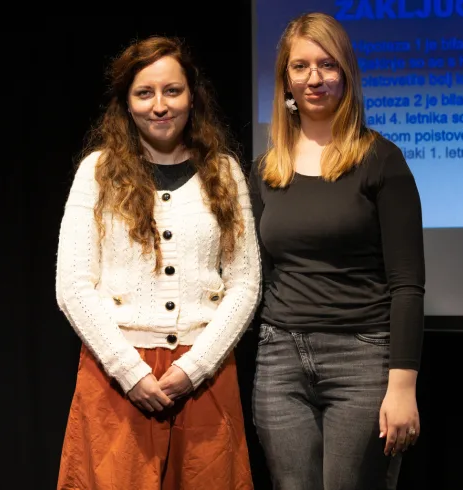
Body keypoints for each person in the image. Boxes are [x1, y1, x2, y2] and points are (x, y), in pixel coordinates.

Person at [55, 35, 260, 490]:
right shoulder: (97, 172)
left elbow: (245, 283)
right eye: (144, 93)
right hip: (116, 375)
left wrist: (194, 368)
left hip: (203, 374)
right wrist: (130, 371)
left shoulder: (223, 172)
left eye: (172, 91)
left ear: (192, 96)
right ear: (127, 103)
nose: (159, 105)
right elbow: (73, 285)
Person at [249, 12, 425, 490]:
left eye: (327, 65)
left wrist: (403, 386)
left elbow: (407, 284)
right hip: (280, 358)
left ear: (346, 74)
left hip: (362, 358)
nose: (314, 78)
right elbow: (259, 273)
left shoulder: (381, 160)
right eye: (300, 66)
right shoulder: (266, 169)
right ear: (286, 79)